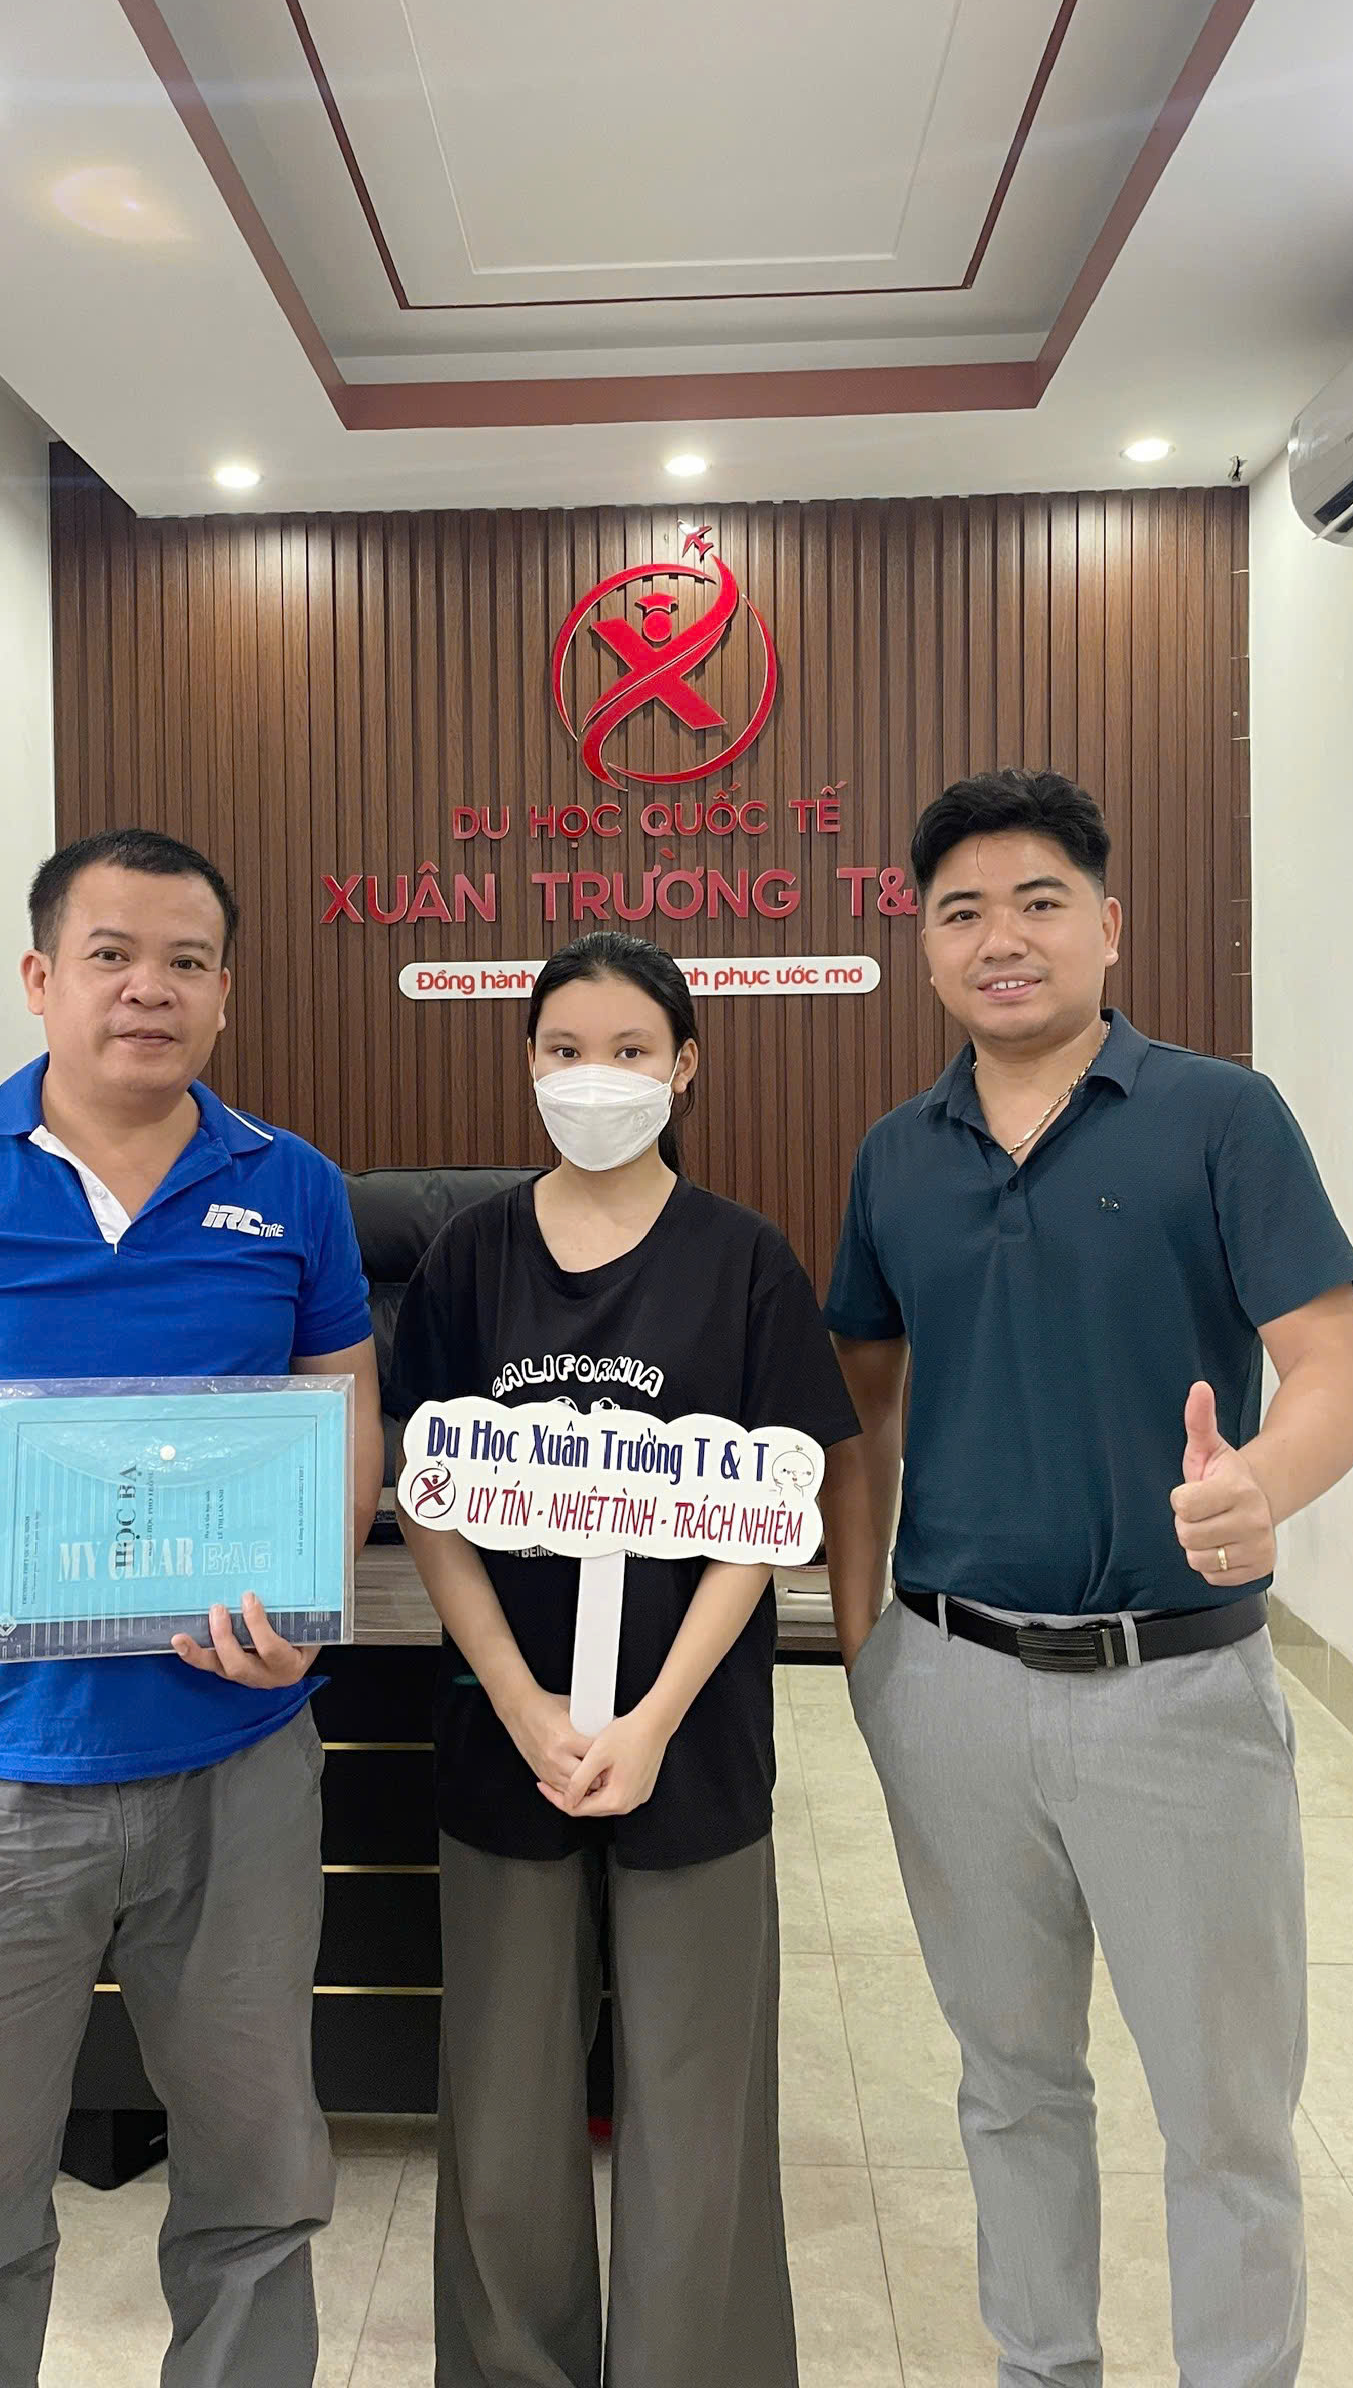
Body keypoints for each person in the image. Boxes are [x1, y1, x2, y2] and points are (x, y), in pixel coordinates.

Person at [0, 826, 382, 2388]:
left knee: (257, 2185)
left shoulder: (292, 1188)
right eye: (111, 956)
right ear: (41, 979)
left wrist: (310, 1601)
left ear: (226, 993)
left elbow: (344, 1421)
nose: (148, 989)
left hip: (237, 1769)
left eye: (186, 961)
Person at [824, 769, 1353, 2388]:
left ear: (1109, 925)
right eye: (963, 913)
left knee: (1224, 2114)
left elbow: (1331, 1372)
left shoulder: (1221, 1116)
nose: (1002, 939)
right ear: (926, 947)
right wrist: (866, 1644)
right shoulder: (897, 1155)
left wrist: (1261, 1486)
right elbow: (862, 1405)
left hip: (1177, 1692)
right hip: (951, 1687)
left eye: (1039, 903)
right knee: (1010, 2086)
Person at [385, 931, 863, 2388]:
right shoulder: (470, 1258)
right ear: (529, 1065)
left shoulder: (745, 1261)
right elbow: (426, 1498)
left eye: (631, 1050)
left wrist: (651, 1719)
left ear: (685, 1066)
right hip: (506, 1739)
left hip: (692, 1746)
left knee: (696, 2104)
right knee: (505, 2106)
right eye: (565, 1051)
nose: (595, 1077)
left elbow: (767, 1518)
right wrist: (522, 1700)